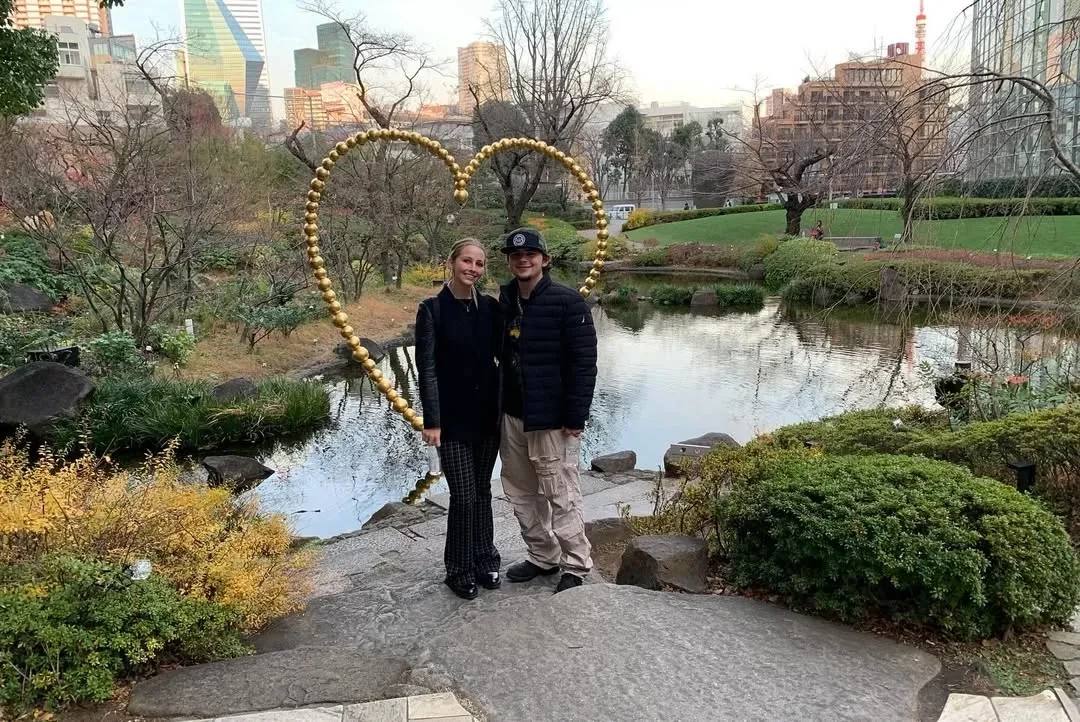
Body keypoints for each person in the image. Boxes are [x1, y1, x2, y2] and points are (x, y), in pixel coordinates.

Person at [498, 227, 598, 594]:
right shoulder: (506, 301)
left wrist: (576, 416)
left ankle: (576, 563)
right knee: (520, 492)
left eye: (530, 254)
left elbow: (584, 364)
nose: (523, 260)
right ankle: (542, 555)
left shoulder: (568, 302)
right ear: (510, 262)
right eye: (516, 255)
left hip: (552, 419)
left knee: (560, 492)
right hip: (512, 415)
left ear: (545, 259)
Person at [415, 239, 503, 601]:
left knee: (483, 491)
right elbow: (427, 368)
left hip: (487, 417)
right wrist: (432, 421)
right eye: (467, 261)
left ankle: (486, 559)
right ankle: (459, 568)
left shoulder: (491, 308)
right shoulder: (432, 309)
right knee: (463, 496)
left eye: (479, 263)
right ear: (451, 262)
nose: (473, 269)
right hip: (451, 420)